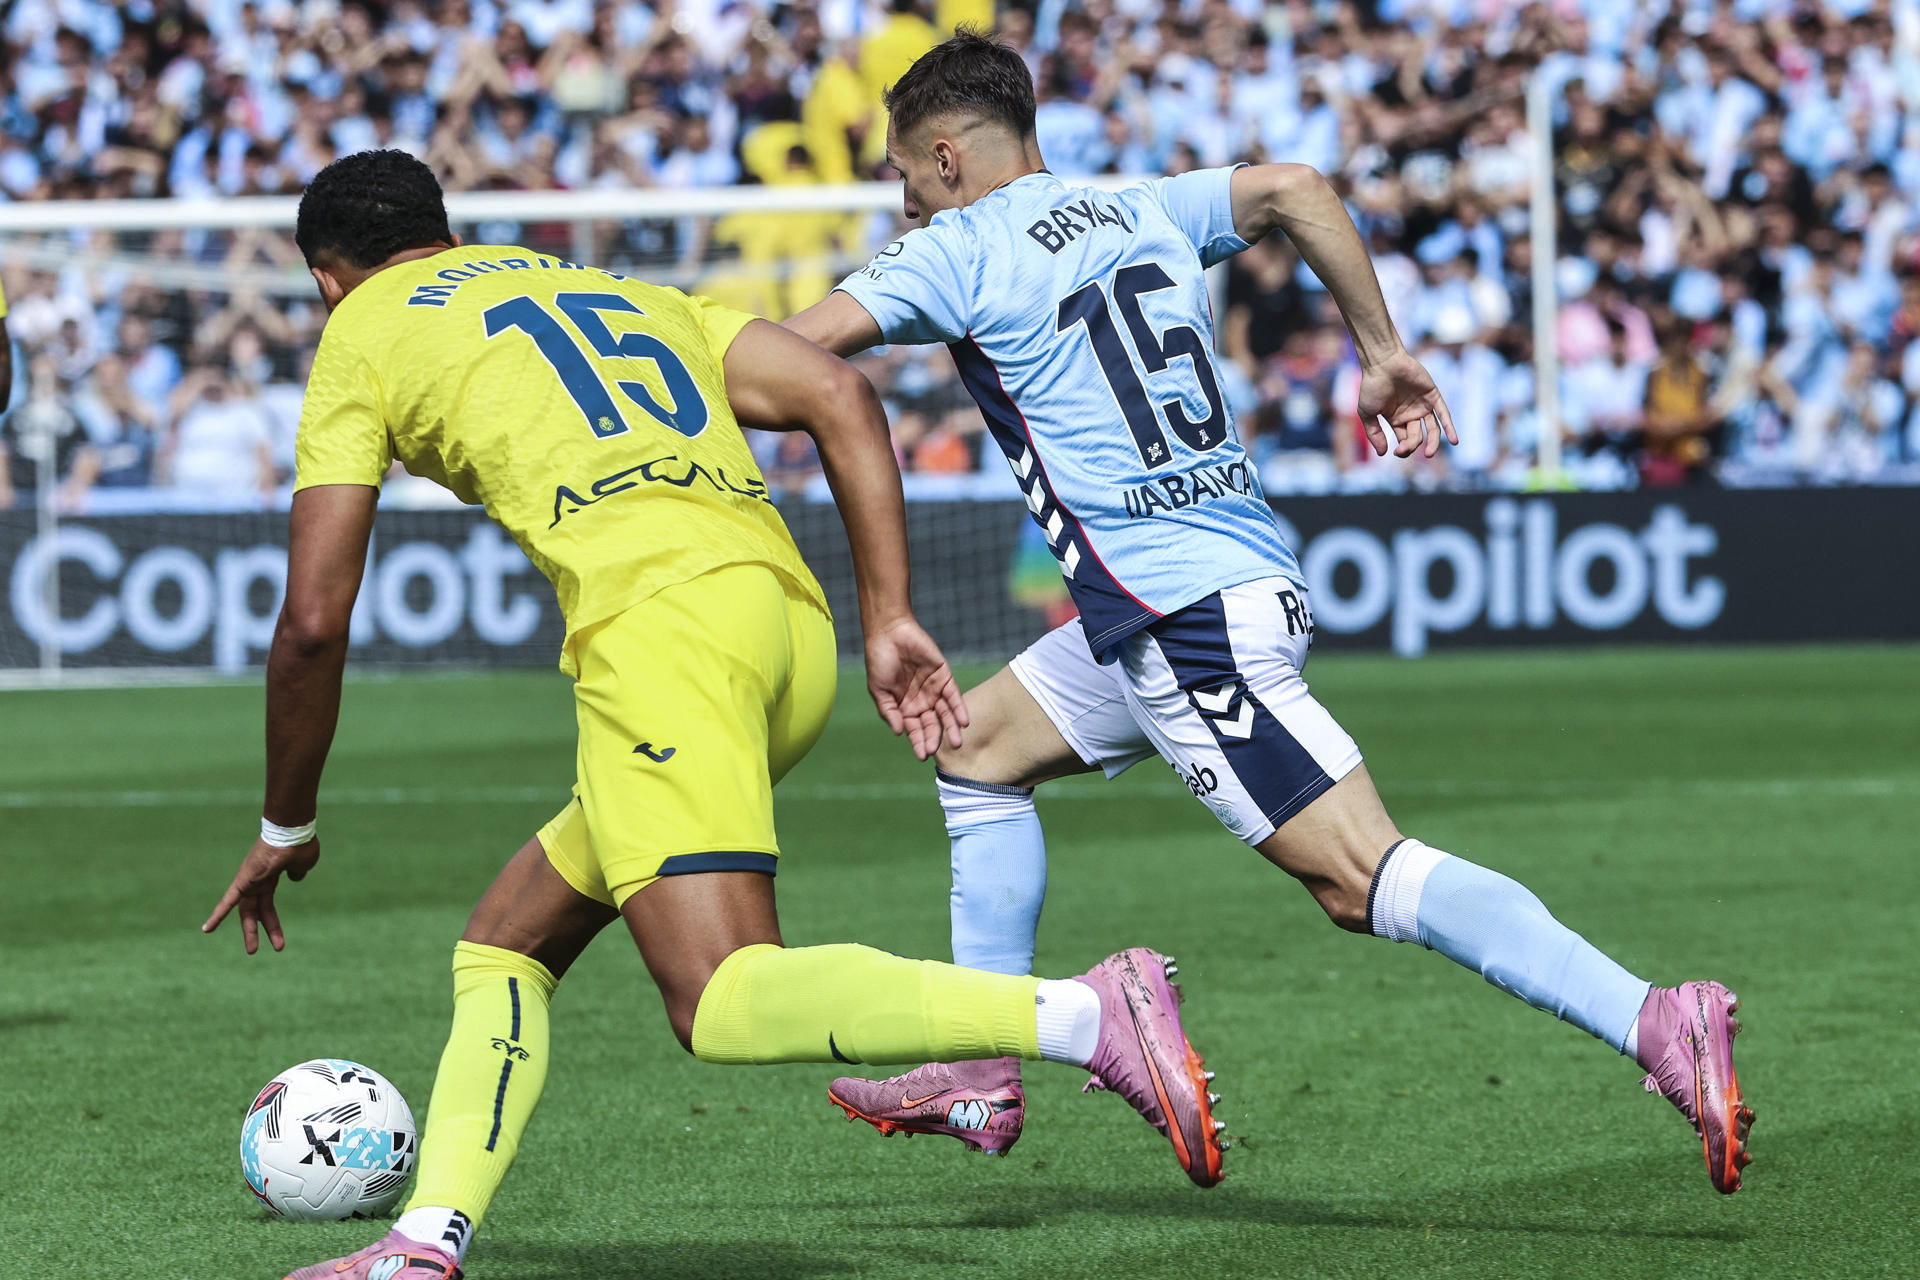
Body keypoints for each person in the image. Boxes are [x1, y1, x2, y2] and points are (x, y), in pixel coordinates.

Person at [201, 149, 1224, 1280]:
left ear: (328, 281)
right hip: (787, 629)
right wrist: (888, 614)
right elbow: (840, 392)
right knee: (504, 942)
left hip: (661, 638)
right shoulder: (598, 285)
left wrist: (283, 824)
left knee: (723, 997)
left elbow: (310, 621)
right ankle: (423, 1240)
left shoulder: (362, 328)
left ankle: (1084, 1013)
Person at [784, 31, 1752, 1194]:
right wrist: (1383, 353)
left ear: (944, 157)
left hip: (1181, 617)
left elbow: (790, 359)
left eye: (901, 174)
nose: (900, 197)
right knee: (976, 746)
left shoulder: (949, 251)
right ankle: (980, 1065)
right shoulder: (1139, 206)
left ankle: (1655, 1015)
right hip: (1223, 580)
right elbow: (1297, 186)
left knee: (1359, 875)